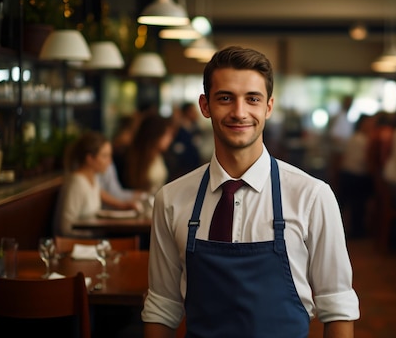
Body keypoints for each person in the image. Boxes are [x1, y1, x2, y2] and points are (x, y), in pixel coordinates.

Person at [142, 46, 359, 337]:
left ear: (268, 107)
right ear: (205, 106)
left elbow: (338, 307)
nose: (239, 112)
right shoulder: (171, 200)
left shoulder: (312, 196)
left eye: (252, 99)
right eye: (225, 98)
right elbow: (162, 306)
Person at [54, 131, 134, 237]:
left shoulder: (93, 178)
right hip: (79, 246)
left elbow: (100, 200)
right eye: (105, 156)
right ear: (90, 159)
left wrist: (124, 206)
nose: (109, 162)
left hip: (95, 241)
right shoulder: (77, 183)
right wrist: (95, 238)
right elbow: (65, 228)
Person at [338, 114, 375, 238]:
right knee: (360, 201)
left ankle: (353, 228)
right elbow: (366, 161)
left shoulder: (354, 137)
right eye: (369, 123)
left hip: (346, 174)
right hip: (355, 175)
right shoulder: (363, 140)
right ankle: (357, 230)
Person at [121, 113, 175, 196]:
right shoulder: (130, 157)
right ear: (155, 135)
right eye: (166, 134)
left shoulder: (165, 157)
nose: (170, 139)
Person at [165, 102, 203, 181]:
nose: (196, 113)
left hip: (195, 167)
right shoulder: (178, 130)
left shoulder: (195, 128)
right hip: (181, 170)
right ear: (187, 112)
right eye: (193, 111)